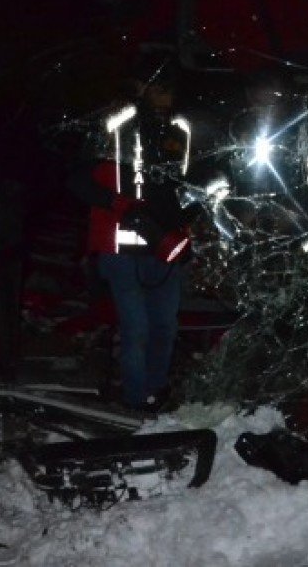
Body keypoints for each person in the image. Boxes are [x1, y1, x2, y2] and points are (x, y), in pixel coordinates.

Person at [68, 61, 193, 411]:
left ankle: (154, 394)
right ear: (140, 88)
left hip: (166, 247)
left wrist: (188, 225)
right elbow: (78, 181)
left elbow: (189, 184)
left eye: (169, 89)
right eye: (157, 87)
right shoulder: (114, 125)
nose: (164, 97)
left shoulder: (181, 129)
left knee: (164, 327)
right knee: (136, 327)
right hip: (120, 246)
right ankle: (136, 400)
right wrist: (119, 205)